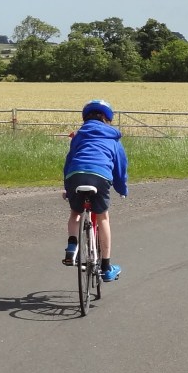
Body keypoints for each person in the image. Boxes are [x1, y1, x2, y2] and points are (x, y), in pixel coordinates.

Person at [62, 99, 129, 282]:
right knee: (103, 217)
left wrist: (68, 188)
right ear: (106, 118)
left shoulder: (78, 136)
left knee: (75, 213)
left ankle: (71, 247)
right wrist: (122, 189)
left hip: (75, 175)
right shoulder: (113, 139)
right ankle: (107, 267)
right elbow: (120, 169)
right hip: (100, 177)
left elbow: (69, 162)